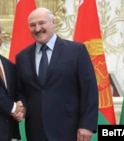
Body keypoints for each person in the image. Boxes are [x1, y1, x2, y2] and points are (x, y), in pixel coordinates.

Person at [15, 8, 98, 141]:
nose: (37, 29)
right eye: (32, 25)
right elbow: (21, 91)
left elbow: (89, 90)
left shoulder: (76, 51)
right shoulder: (22, 57)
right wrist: (22, 105)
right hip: (36, 131)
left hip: (70, 130)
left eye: (42, 23)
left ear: (53, 23)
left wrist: (87, 125)